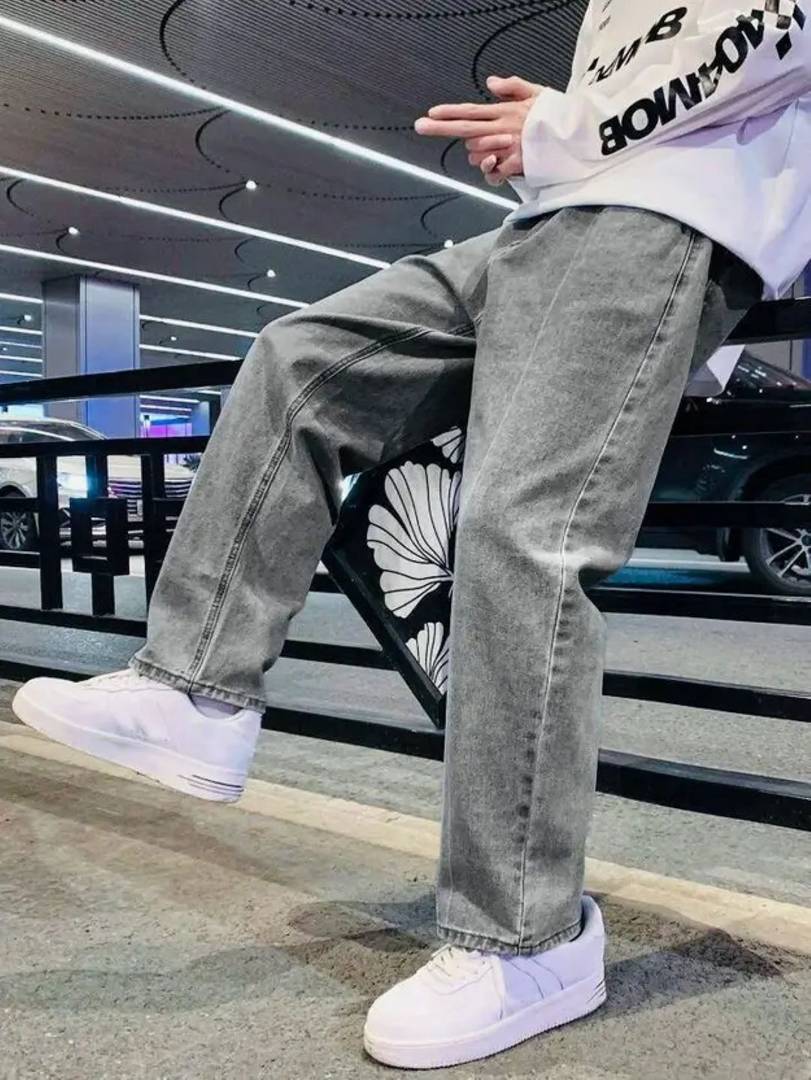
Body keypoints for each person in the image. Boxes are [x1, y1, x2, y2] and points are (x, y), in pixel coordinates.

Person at [12, 0, 811, 1070]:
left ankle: (525, 938)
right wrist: (567, 128)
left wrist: (569, 128)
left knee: (522, 538)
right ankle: (198, 691)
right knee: (300, 363)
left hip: (663, 219)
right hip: (552, 218)